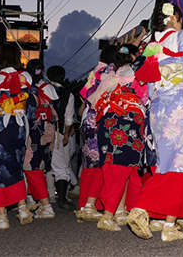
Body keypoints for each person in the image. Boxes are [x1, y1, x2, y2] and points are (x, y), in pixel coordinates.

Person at [126, 0, 183, 243]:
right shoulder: (178, 39)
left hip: (158, 108)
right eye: (180, 19)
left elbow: (155, 76)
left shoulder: (152, 46)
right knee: (182, 163)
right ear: (174, 18)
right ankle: (143, 207)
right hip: (180, 106)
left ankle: (168, 223)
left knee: (169, 163)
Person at [93, 44, 147, 232]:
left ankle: (120, 210)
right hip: (127, 119)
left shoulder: (107, 73)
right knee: (122, 167)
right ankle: (108, 215)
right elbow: (144, 95)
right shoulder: (136, 71)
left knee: (115, 166)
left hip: (107, 119)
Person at [0, 43, 37, 229]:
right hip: (20, 125)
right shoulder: (27, 77)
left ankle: (1, 217)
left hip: (1, 125)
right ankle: (22, 208)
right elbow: (32, 104)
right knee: (16, 165)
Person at [74, 46, 119, 222]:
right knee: (99, 164)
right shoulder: (109, 71)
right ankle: (89, 206)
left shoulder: (95, 71)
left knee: (88, 165)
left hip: (87, 119)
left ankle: (85, 203)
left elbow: (83, 95)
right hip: (98, 120)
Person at [23, 58, 58, 219]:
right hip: (48, 131)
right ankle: (34, 201)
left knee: (31, 168)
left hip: (33, 131)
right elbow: (56, 110)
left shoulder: (27, 89)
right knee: (40, 168)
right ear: (42, 71)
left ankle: (46, 206)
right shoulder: (49, 88)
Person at [48, 65, 78, 211]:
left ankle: (38, 199)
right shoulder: (68, 94)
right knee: (61, 167)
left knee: (40, 167)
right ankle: (61, 198)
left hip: (41, 132)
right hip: (58, 133)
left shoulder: (42, 90)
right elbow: (68, 118)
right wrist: (66, 134)